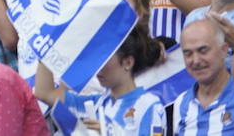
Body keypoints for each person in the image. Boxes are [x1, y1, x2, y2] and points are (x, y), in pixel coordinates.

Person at [33, 26, 164, 136]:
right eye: (96, 60)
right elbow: (44, 92)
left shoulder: (149, 106)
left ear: (128, 62)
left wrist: (111, 132)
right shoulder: (97, 103)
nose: (97, 67)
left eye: (104, 59)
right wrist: (49, 44)